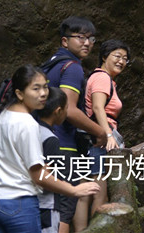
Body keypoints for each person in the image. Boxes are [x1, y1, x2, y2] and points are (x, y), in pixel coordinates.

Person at [0, 65, 99, 233]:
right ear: (19, 94)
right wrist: (73, 189)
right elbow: (38, 175)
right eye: (35, 88)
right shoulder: (27, 123)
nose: (43, 94)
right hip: (19, 203)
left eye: (45, 86)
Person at [44, 16, 106, 233]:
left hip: (42, 144)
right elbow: (69, 109)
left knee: (49, 207)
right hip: (63, 146)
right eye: (80, 37)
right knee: (64, 208)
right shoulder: (72, 68)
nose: (87, 43)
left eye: (91, 38)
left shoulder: (49, 66)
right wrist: (100, 132)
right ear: (64, 41)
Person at [73, 40, 130, 230]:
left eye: (125, 59)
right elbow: (98, 107)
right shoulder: (102, 78)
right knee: (98, 192)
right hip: (98, 140)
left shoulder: (103, 78)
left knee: (86, 192)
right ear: (105, 56)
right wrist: (108, 135)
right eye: (117, 56)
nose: (122, 61)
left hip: (89, 139)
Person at [36, 87, 69, 233]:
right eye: (66, 108)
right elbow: (45, 178)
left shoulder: (27, 130)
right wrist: (73, 190)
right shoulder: (50, 139)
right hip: (45, 207)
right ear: (58, 111)